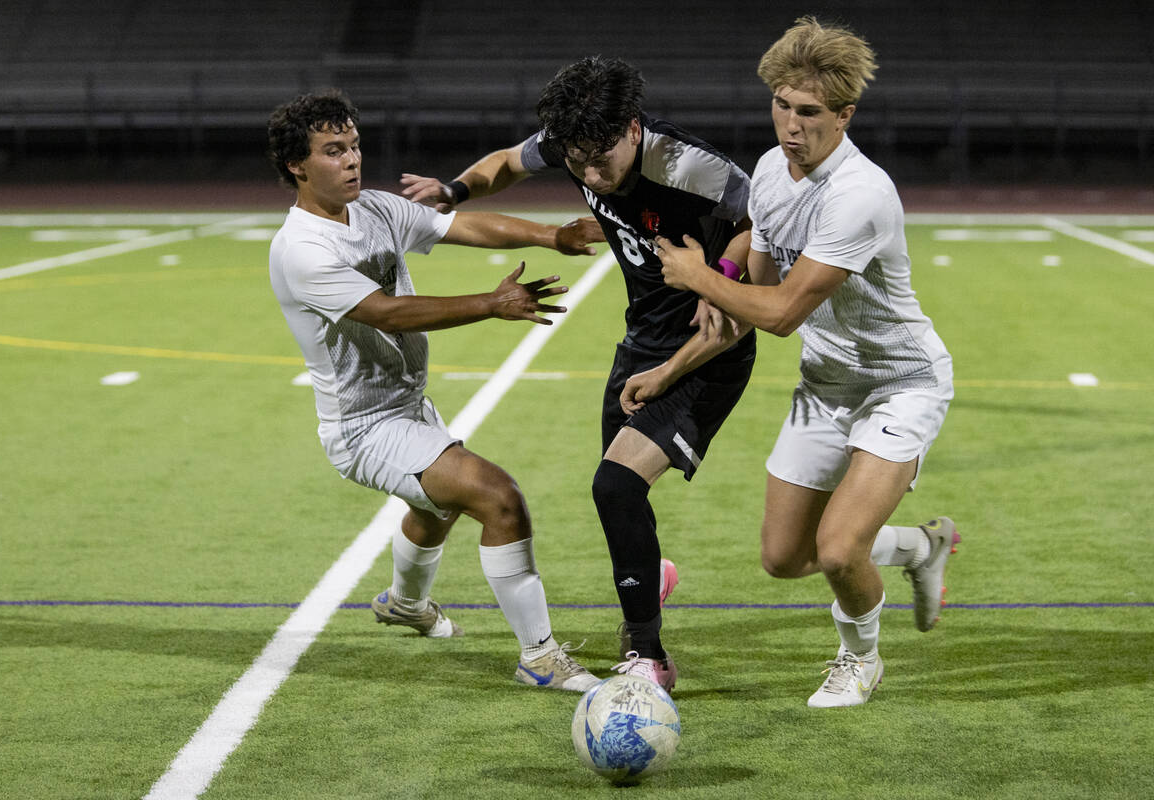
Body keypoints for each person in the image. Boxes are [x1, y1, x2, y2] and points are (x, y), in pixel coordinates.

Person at [401, 56, 757, 692]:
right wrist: (453, 191)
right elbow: (508, 162)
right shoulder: (572, 144)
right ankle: (652, 584)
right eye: (576, 161)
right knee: (619, 497)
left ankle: (649, 657)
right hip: (641, 338)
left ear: (632, 128)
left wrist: (721, 281)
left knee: (615, 485)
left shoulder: (689, 166)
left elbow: (758, 221)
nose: (591, 174)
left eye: (602, 158)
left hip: (710, 346)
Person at [654, 17, 960, 707]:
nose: (791, 125)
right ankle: (917, 549)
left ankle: (860, 661)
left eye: (810, 112)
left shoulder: (860, 194)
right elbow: (756, 294)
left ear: (845, 115)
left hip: (899, 385)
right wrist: (671, 368)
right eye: (781, 106)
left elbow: (784, 314)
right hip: (824, 385)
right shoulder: (768, 170)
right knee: (784, 557)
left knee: (838, 549)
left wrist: (701, 275)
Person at [267, 89, 606, 691]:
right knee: (497, 497)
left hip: (405, 406)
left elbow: (461, 225)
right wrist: (491, 303)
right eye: (332, 151)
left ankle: (403, 603)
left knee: (437, 506)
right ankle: (539, 656)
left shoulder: (372, 207)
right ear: (298, 164)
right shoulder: (301, 249)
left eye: (354, 147)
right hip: (362, 427)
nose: (351, 161)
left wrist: (551, 236)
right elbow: (388, 313)